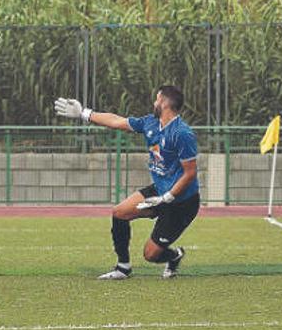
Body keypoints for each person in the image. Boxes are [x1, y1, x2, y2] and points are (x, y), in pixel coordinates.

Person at [54, 86, 199, 279]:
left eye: (157, 99)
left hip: (182, 202)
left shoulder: (182, 133)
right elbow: (117, 121)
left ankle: (174, 256)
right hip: (160, 191)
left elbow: (190, 174)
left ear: (164, 102)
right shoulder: (150, 123)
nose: (154, 103)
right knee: (119, 212)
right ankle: (123, 267)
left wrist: (167, 197)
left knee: (151, 255)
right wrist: (84, 113)